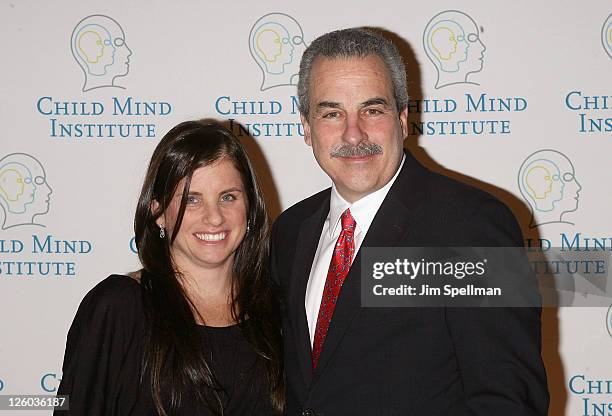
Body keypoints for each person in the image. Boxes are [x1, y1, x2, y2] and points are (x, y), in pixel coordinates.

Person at [270, 28, 549, 415]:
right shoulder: (290, 230)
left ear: (402, 118)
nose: (354, 135)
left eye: (372, 109)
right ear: (306, 125)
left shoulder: (474, 226)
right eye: (332, 113)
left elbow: (508, 400)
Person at [55, 121, 283, 415]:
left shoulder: (278, 312)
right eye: (192, 199)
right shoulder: (119, 308)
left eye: (228, 197)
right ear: (159, 213)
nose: (214, 218)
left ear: (250, 207)